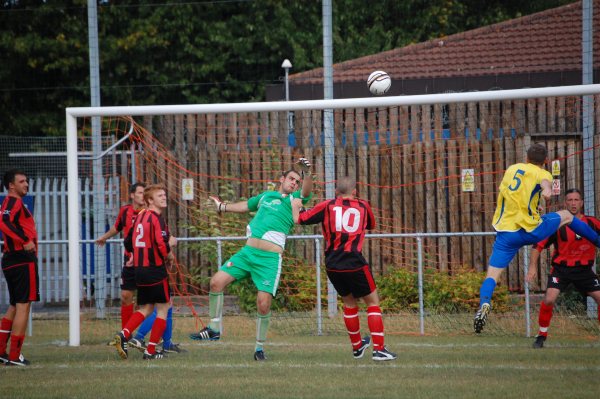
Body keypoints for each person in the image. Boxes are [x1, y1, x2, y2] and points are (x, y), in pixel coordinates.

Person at [189, 158, 313, 361]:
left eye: (297, 181)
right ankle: (214, 328)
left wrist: (307, 173)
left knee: (263, 304)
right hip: (247, 254)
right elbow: (245, 206)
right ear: (282, 179)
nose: (294, 183)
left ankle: (258, 349)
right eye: (291, 178)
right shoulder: (266, 196)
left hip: (269, 259)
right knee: (215, 282)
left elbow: (307, 192)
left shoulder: (295, 200)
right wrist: (222, 207)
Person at [474, 143, 600, 333]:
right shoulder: (543, 174)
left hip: (507, 234)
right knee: (566, 215)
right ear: (546, 161)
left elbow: (515, 196)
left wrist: (536, 206)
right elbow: (544, 184)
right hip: (532, 230)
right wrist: (547, 191)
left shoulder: (512, 169)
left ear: (526, 158)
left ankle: (484, 304)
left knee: (491, 275)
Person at [292, 176, 397, 361]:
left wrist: (296, 205)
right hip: (354, 262)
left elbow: (300, 219)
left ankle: (357, 347)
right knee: (373, 303)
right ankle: (379, 349)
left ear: (336, 191)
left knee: (349, 303)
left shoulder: (327, 205)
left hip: (333, 264)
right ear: (355, 192)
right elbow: (371, 225)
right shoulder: (363, 206)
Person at [96, 183, 181, 353]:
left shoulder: (140, 216)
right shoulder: (156, 219)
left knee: (146, 308)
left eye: (164, 195)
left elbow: (128, 241)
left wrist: (134, 254)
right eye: (159, 195)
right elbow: (161, 244)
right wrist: (170, 254)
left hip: (139, 269)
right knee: (164, 307)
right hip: (154, 269)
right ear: (149, 200)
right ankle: (150, 350)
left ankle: (123, 335)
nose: (164, 197)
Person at [526, 188, 600, 348]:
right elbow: (537, 245)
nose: (573, 203)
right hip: (561, 270)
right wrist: (532, 267)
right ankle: (541, 336)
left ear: (581, 202)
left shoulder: (593, 223)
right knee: (549, 299)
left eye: (576, 200)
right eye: (570, 200)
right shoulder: (557, 224)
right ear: (565, 203)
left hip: (585, 271)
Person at [0, 169, 39, 366]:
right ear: (11, 186)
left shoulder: (11, 203)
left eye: (27, 181)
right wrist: (25, 240)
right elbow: (4, 223)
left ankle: (1, 351)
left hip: (11, 258)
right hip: (22, 259)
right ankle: (15, 356)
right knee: (24, 304)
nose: (26, 184)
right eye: (22, 181)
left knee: (15, 305)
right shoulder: (13, 202)